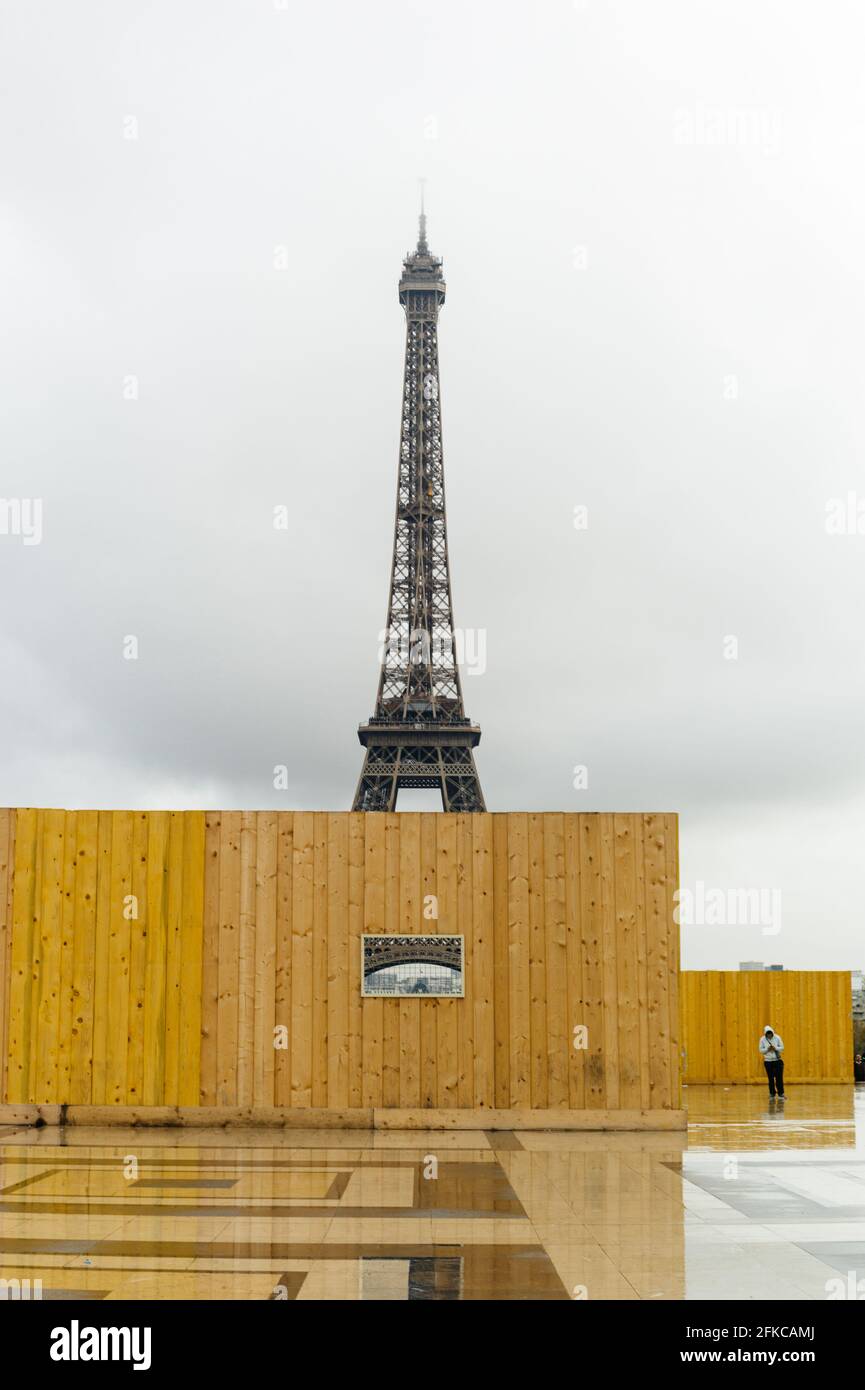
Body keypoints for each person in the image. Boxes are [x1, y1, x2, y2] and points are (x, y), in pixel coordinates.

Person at [759, 1025, 785, 1099]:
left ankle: (781, 1093)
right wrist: (767, 1049)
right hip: (768, 1061)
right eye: (768, 1034)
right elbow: (761, 1050)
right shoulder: (762, 1039)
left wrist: (775, 1048)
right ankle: (772, 1093)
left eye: (770, 1033)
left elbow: (782, 1048)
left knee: (779, 1078)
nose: (769, 1035)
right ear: (765, 1034)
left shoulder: (777, 1037)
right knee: (770, 1078)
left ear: (772, 1033)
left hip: (777, 1061)